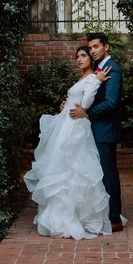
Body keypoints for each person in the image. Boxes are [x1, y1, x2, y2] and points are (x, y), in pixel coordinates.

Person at [23, 46, 113, 240]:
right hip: (66, 124)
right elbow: (75, 99)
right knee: (60, 169)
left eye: (83, 56)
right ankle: (59, 215)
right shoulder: (81, 78)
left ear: (91, 59)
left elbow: (87, 102)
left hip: (76, 129)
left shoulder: (92, 78)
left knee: (75, 171)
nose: (79, 59)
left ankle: (77, 217)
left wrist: (96, 82)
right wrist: (65, 104)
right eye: (77, 57)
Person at [70, 32, 125, 233]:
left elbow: (111, 103)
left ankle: (114, 218)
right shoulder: (100, 69)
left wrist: (86, 113)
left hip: (105, 130)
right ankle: (104, 214)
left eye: (96, 47)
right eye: (90, 47)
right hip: (96, 129)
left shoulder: (113, 70)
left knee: (109, 174)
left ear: (106, 47)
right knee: (100, 174)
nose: (92, 51)